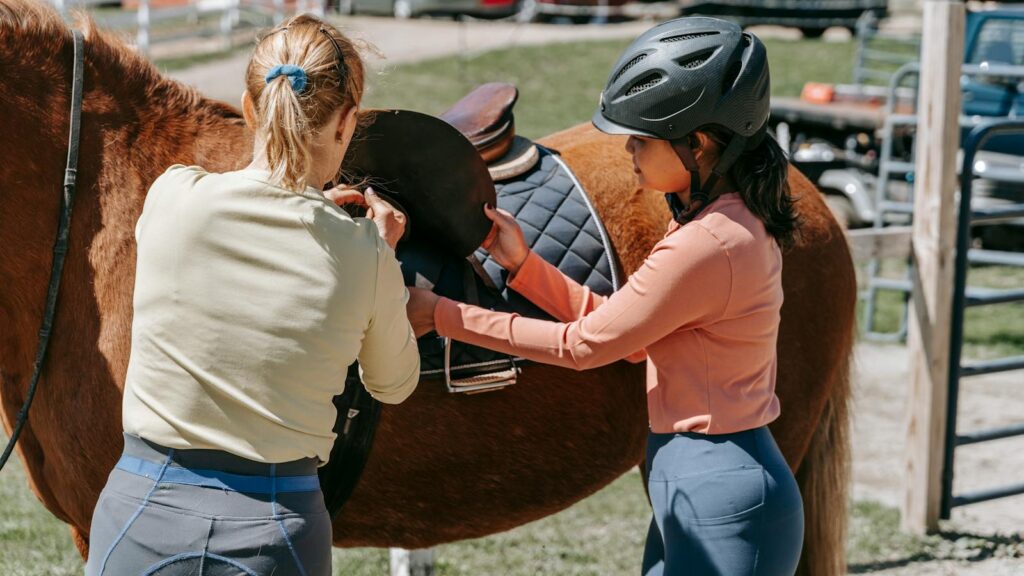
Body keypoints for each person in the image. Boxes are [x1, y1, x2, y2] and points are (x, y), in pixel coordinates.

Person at [406, 17, 804, 576]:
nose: (629, 151)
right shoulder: (717, 222)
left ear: (699, 143)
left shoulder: (706, 243)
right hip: (697, 480)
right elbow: (624, 333)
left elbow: (585, 347)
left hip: (718, 487)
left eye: (642, 138)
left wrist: (441, 315)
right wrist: (524, 266)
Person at [86, 15, 420, 576]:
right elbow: (394, 381)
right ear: (347, 123)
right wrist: (381, 256)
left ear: (248, 107)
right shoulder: (363, 254)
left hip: (141, 510)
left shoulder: (172, 196)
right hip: (275, 527)